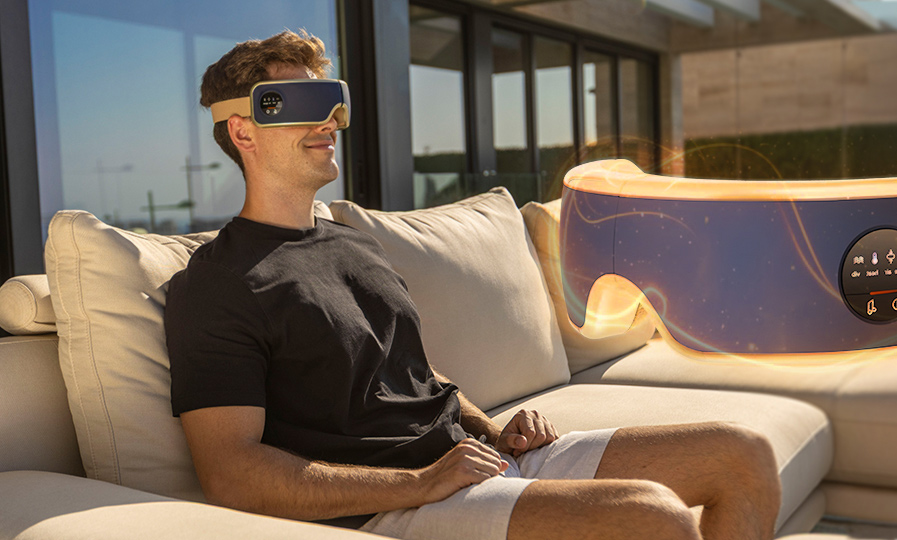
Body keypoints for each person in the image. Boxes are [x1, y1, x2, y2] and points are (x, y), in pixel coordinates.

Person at [165, 30, 781, 540]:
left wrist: (493, 431)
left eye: (331, 101)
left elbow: (414, 375)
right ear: (242, 131)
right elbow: (231, 473)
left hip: (473, 459)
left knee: (742, 454)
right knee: (654, 518)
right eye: (298, 104)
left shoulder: (351, 243)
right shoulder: (219, 283)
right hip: (393, 501)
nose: (329, 121)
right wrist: (419, 483)